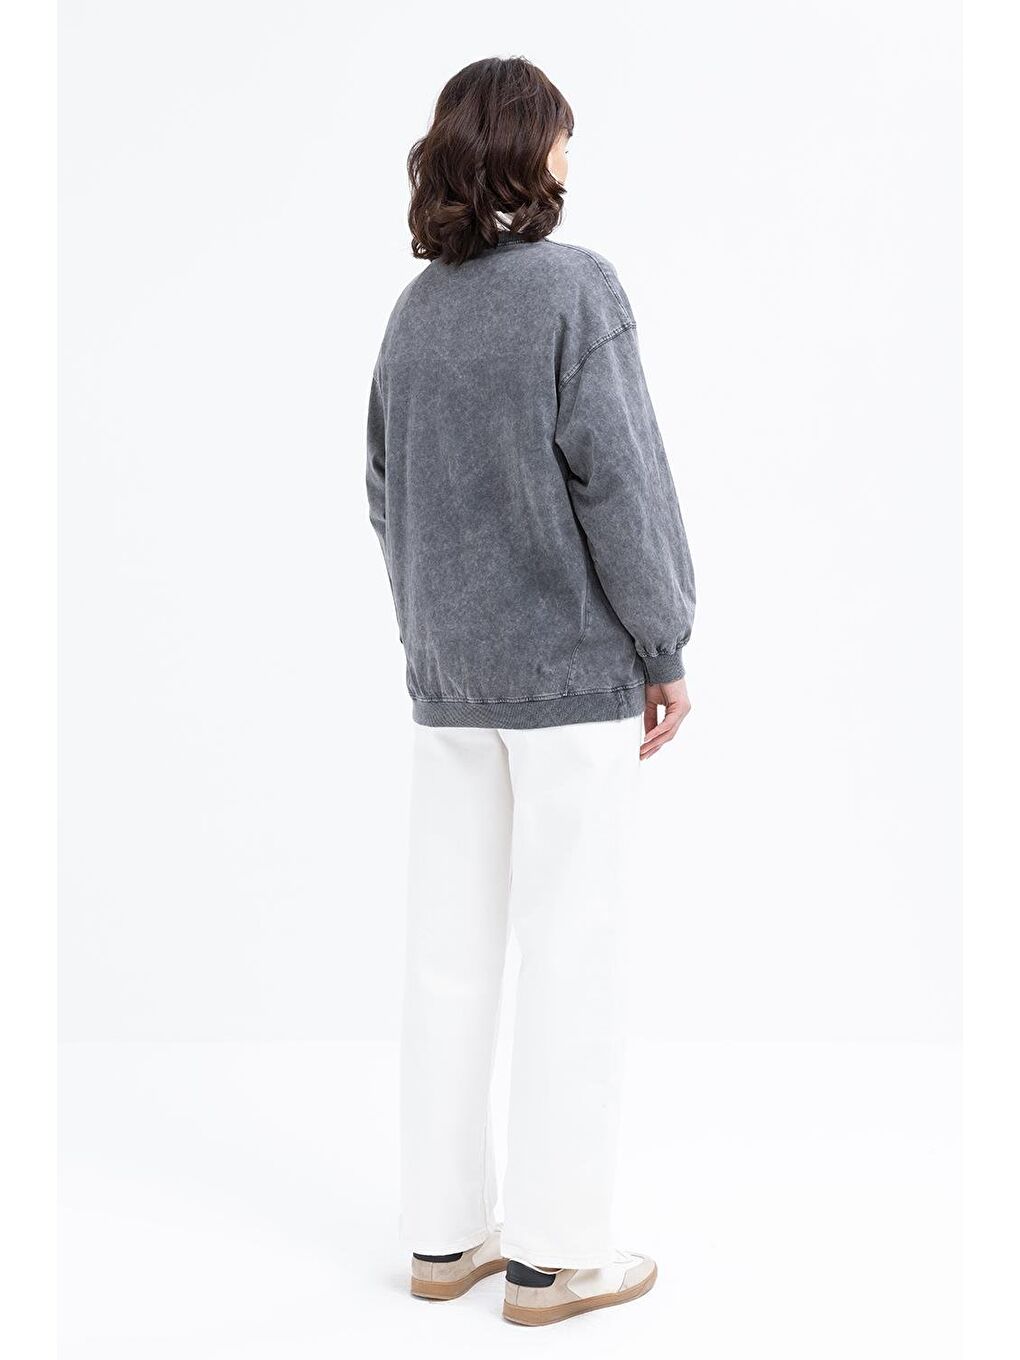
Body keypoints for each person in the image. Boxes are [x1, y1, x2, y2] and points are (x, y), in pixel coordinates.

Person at [366, 55, 695, 1327]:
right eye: (560, 134)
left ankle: (444, 1236)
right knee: (572, 950)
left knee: (446, 956)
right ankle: (556, 1258)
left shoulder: (415, 315)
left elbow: (384, 490)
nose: (569, 154)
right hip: (567, 683)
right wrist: (663, 643)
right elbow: (624, 483)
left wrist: (436, 627)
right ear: (526, 149)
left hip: (449, 683)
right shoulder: (575, 290)